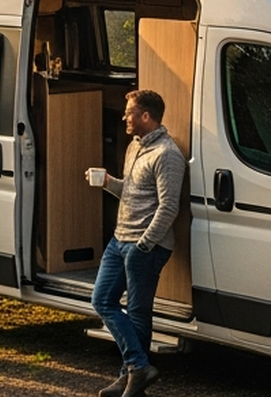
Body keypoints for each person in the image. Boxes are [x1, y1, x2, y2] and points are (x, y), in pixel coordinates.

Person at [87, 89, 186, 397]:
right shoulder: (134, 147)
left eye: (129, 112)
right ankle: (136, 368)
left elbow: (169, 207)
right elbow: (131, 193)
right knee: (102, 300)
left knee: (139, 312)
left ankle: (131, 376)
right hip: (120, 239)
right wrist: (108, 183)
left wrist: (144, 245)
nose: (124, 117)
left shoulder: (167, 155)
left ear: (145, 116)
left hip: (145, 246)